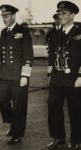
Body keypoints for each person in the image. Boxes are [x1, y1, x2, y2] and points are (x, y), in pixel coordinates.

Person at [0, 4, 34, 144]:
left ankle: (17, 133)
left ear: (13, 16)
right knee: (0, 100)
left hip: (19, 75)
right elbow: (1, 52)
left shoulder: (23, 31)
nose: (4, 19)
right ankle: (14, 122)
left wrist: (25, 75)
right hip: (4, 74)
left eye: (6, 16)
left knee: (19, 105)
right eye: (3, 16)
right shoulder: (3, 32)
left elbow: (28, 55)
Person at [46, 1, 81, 149]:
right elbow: (51, 55)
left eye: (64, 13)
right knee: (52, 105)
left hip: (74, 78)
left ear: (72, 15)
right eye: (59, 13)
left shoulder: (80, 33)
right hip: (57, 77)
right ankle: (58, 137)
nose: (60, 15)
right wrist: (49, 73)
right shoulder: (54, 33)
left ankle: (77, 140)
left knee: (76, 109)